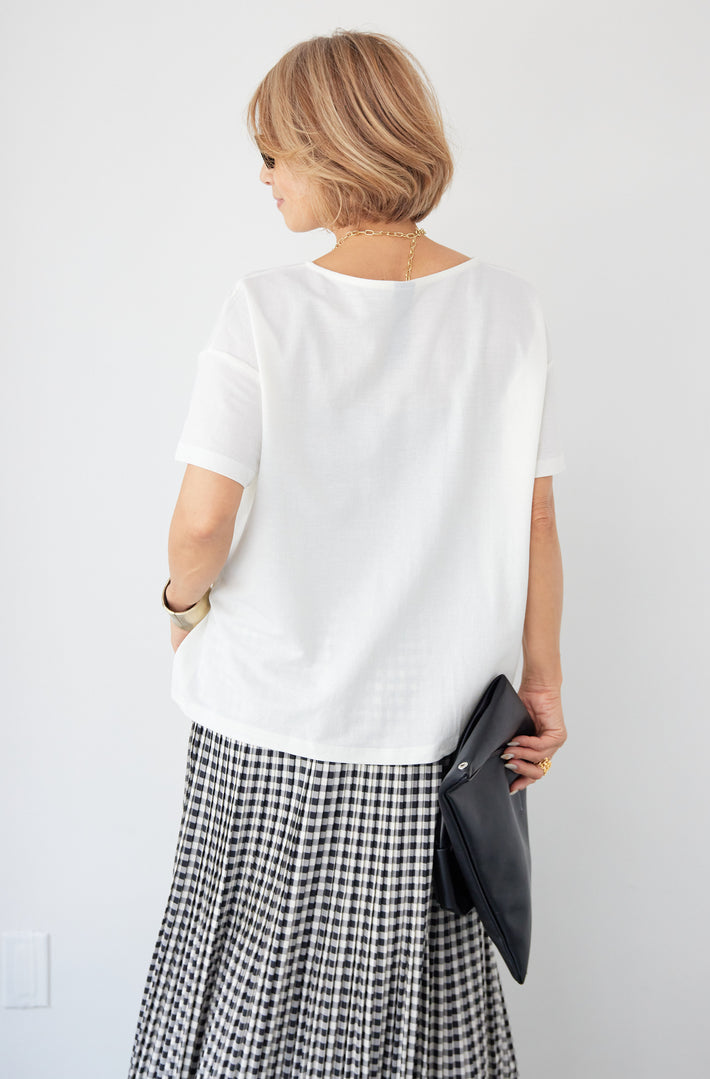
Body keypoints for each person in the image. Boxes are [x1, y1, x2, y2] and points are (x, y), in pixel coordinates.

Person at [127, 28, 567, 1079]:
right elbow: (537, 519)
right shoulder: (511, 309)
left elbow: (200, 524)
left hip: (270, 724)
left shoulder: (267, 308)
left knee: (243, 989)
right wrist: (544, 683)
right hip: (436, 739)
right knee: (416, 1015)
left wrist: (181, 606)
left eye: (273, 153)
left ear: (332, 149)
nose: (265, 178)